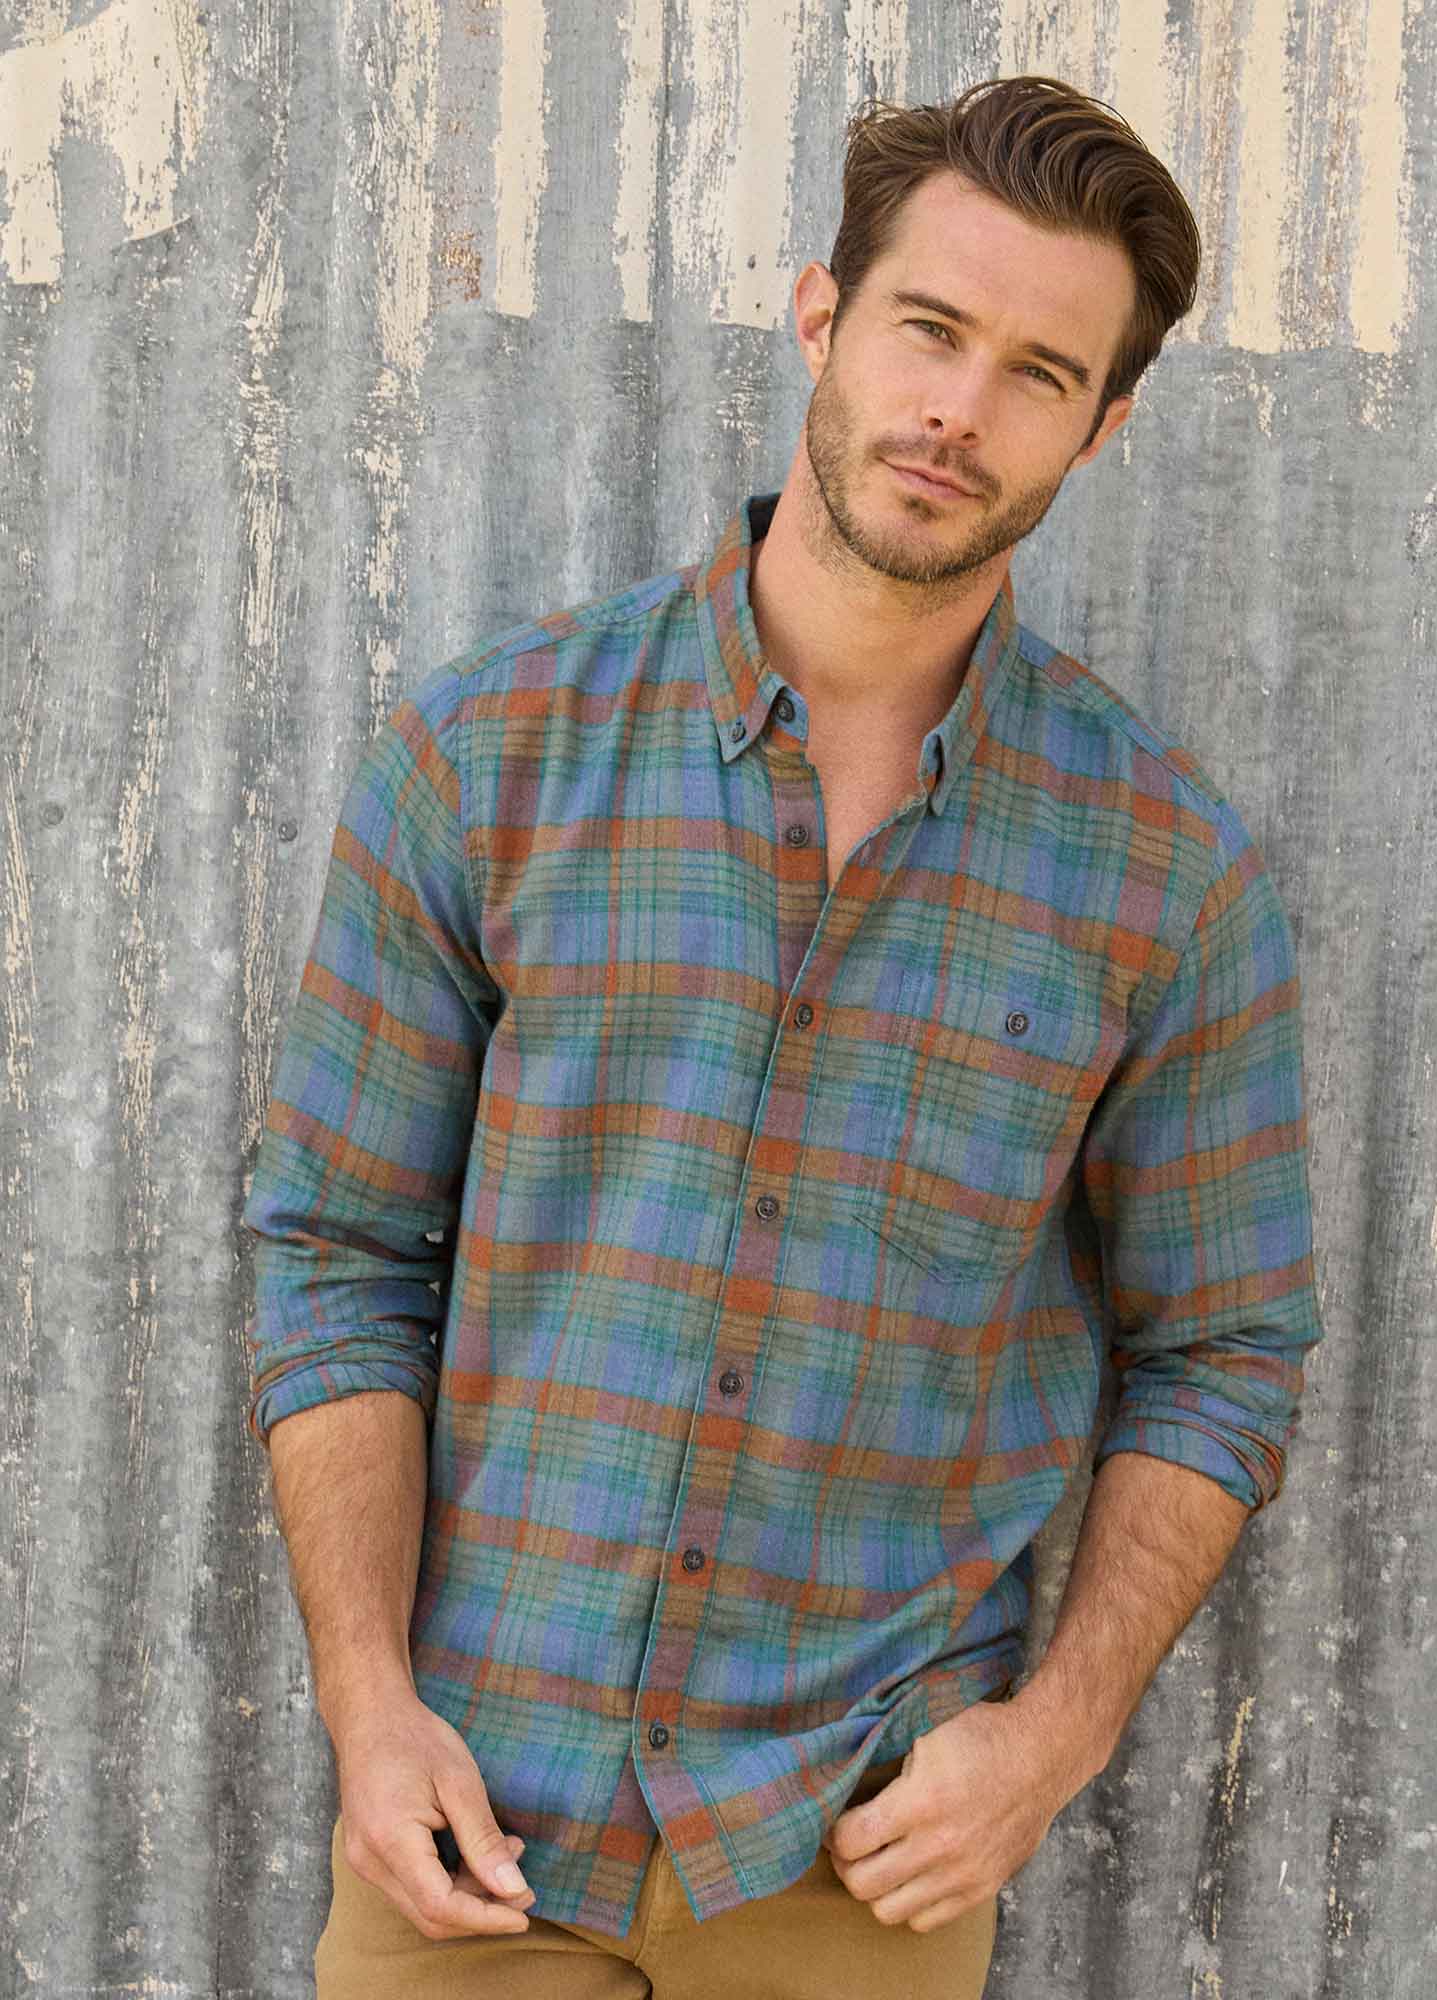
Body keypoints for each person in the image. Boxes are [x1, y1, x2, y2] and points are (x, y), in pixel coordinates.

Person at [245, 74, 1324, 1999]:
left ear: (1106, 422)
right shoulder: (491, 759)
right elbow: (337, 1250)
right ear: (823, 315)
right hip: (474, 1829)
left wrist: (1053, 1739)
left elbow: (1224, 1353)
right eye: (930, 328)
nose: (959, 410)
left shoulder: (1168, 876)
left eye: (1039, 373)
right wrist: (366, 1704)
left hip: (859, 1864)